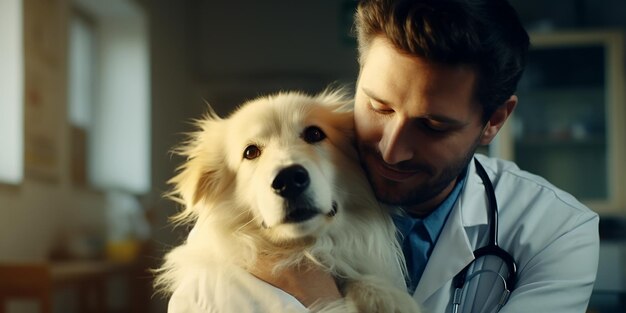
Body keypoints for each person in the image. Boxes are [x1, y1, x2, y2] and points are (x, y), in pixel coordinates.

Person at [254, 0, 600, 312]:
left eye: (433, 126)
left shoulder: (558, 232)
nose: (392, 150)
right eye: (379, 107)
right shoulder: (264, 203)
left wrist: (323, 300)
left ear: (493, 121)